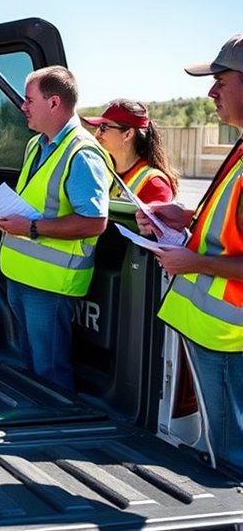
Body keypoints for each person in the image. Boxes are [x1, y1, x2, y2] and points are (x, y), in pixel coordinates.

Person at [137, 33, 243, 470]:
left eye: (222, 79)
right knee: (222, 443)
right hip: (215, 334)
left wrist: (193, 262)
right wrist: (185, 217)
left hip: (229, 338)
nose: (211, 91)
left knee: (232, 454)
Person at [0, 66, 112, 391]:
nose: (23, 106)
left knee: (49, 370)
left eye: (29, 99)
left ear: (54, 102)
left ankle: (53, 438)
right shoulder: (36, 145)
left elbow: (94, 222)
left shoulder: (83, 153)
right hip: (20, 272)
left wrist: (29, 227)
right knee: (31, 361)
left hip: (50, 283)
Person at [83, 99, 179, 204]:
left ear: (128, 134)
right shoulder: (99, 170)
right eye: (98, 127)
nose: (97, 134)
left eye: (104, 127)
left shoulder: (154, 184)